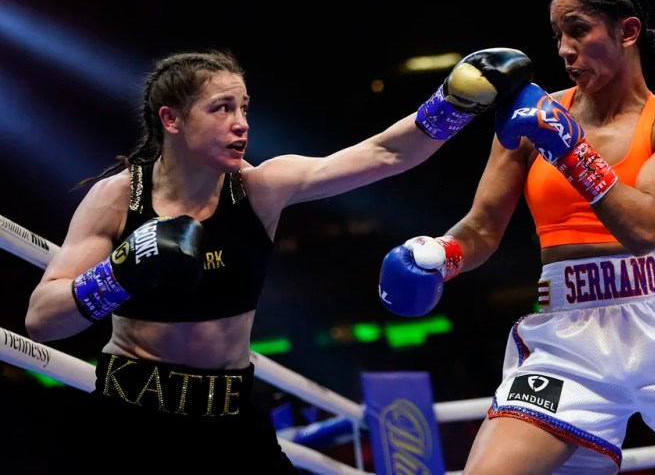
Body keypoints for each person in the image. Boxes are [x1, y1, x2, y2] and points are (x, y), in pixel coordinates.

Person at [24, 47, 534, 472]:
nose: (241, 124)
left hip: (230, 416)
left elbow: (386, 153)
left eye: (244, 108)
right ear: (171, 119)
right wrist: (118, 272)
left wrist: (456, 102)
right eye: (222, 109)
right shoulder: (119, 199)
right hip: (129, 414)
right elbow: (42, 320)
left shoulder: (260, 188)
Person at [378, 0, 655, 474]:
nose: (564, 49)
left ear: (628, 31)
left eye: (578, 30)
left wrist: (569, 148)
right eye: (558, 35)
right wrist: (441, 255)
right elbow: (482, 227)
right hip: (568, 337)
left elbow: (643, 229)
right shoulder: (532, 118)